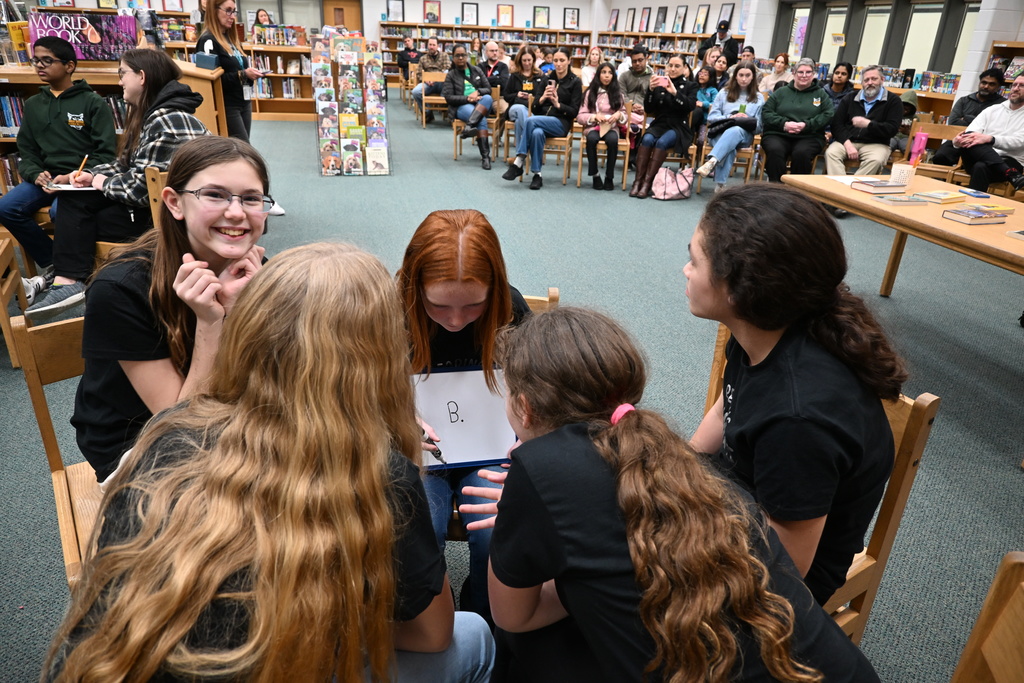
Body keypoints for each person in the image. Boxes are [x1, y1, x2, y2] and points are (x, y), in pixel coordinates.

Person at [44, 242, 495, 683]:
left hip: (102, 662)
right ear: (379, 355)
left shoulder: (168, 429)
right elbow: (431, 635)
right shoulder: (381, 472)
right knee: (472, 636)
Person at [474, 306, 881, 682]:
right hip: (834, 668)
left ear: (524, 408)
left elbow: (514, 616)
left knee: (524, 642)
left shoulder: (538, 468)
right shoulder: (678, 457)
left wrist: (536, 532)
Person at [688, 184, 906, 607]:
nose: (686, 271)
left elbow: (783, 570)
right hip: (739, 501)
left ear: (738, 291)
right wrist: (683, 467)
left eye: (695, 260)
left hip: (774, 575)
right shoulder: (765, 326)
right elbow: (728, 404)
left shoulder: (798, 420)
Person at [70, 136, 265, 484]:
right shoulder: (121, 289)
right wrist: (212, 322)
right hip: (142, 445)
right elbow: (178, 432)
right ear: (175, 203)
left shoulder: (258, 270)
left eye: (251, 198)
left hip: (232, 418)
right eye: (215, 195)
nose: (236, 212)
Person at [397, 209, 532, 623]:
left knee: (496, 530)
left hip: (492, 449)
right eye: (439, 305)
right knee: (420, 528)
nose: (456, 321)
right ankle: (432, 627)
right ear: (414, 286)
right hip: (418, 453)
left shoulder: (511, 310)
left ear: (494, 288)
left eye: (474, 305)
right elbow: (354, 392)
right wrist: (395, 419)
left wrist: (527, 438)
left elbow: (540, 388)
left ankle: (484, 615)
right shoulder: (388, 312)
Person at [26, 49, 209, 320]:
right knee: (78, 210)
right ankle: (68, 275)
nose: (120, 81)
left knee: (75, 209)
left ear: (142, 77)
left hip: (170, 221)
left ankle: (68, 278)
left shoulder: (166, 120)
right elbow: (126, 164)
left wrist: (99, 181)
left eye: (122, 74)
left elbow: (139, 190)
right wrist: (90, 174)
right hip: (168, 210)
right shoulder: (160, 113)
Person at [0, 36, 116, 306]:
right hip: (44, 178)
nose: (39, 66)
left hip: (78, 180)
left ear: (69, 66)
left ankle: (68, 271)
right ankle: (56, 264)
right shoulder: (33, 105)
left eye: (47, 61)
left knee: (58, 212)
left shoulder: (93, 103)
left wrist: (73, 174)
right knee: (6, 207)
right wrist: (34, 172)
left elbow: (105, 154)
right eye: (35, 61)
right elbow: (26, 150)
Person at [501, 47, 581, 190]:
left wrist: (557, 104)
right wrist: (543, 98)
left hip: (561, 123)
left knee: (530, 120)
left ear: (569, 61)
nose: (558, 64)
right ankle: (537, 175)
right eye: (555, 60)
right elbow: (536, 107)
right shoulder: (547, 79)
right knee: (537, 133)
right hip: (542, 120)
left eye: (562, 60)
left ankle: (519, 161)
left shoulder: (575, 82)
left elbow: (574, 112)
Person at [928, 75, 1024, 192]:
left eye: (1021, 85)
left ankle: (973, 205)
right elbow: (970, 133)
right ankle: (1011, 174)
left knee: (981, 166)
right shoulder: (993, 109)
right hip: (981, 157)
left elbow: (1020, 142)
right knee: (972, 138)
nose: (1015, 88)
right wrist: (956, 142)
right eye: (1014, 85)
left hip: (1010, 159)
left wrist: (990, 139)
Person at [629, 54, 696, 199]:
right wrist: (651, 91)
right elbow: (648, 108)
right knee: (646, 139)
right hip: (660, 123)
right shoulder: (660, 83)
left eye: (677, 66)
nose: (672, 69)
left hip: (678, 126)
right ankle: (637, 181)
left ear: (685, 68)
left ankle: (647, 183)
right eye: (670, 65)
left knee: (662, 142)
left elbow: (690, 107)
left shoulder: (691, 86)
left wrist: (675, 93)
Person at [196, 0, 263, 142]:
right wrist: (242, 75)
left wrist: (248, 74)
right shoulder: (208, 41)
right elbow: (209, 81)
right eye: (228, 11)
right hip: (228, 106)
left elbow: (239, 65)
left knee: (243, 148)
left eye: (234, 11)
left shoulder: (231, 38)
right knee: (243, 149)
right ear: (214, 10)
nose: (232, 16)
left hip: (244, 101)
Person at [760, 58, 833, 183]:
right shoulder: (781, 92)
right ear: (794, 73)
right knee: (775, 150)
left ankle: (797, 191)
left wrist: (807, 125)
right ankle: (775, 188)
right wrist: (784, 124)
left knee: (802, 153)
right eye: (800, 72)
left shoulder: (821, 94)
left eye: (808, 72)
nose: (804, 75)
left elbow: (828, 114)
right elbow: (766, 112)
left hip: (809, 136)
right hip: (779, 133)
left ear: (813, 74)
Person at [696, 61, 764, 193]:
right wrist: (730, 118)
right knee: (730, 148)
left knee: (736, 130)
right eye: (741, 75)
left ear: (753, 77)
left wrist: (746, 119)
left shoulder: (758, 97)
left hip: (744, 135)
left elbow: (759, 127)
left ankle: (712, 160)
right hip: (719, 132)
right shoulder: (723, 93)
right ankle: (720, 186)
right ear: (735, 76)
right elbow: (712, 117)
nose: (744, 79)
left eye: (747, 75)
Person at [824, 64, 901, 179]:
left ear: (882, 80)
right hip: (847, 141)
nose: (870, 83)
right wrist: (847, 144)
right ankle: (839, 186)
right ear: (862, 83)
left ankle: (853, 186)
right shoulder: (850, 98)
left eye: (874, 79)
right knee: (831, 153)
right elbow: (836, 124)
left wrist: (869, 124)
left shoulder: (893, 101)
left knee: (876, 160)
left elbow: (892, 129)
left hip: (876, 144)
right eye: (866, 80)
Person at [931, 69, 1006, 163]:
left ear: (998, 87)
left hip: (983, 144)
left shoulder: (1002, 105)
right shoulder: (964, 101)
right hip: (959, 138)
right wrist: (979, 122)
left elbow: (994, 127)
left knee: (978, 164)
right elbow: (954, 123)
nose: (986, 86)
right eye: (984, 82)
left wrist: (966, 117)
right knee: (940, 156)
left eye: (991, 84)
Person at [577, 63, 627, 190]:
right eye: (604, 72)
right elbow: (580, 116)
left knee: (612, 140)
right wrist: (594, 117)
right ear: (598, 75)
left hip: (611, 127)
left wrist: (619, 115)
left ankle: (609, 177)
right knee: (592, 139)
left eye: (610, 73)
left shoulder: (618, 93)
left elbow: (625, 115)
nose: (607, 76)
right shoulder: (590, 93)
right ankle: (595, 174)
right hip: (594, 127)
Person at [443, 44, 494, 170]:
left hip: (479, 103)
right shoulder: (451, 75)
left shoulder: (477, 70)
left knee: (488, 98)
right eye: (457, 55)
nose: (461, 58)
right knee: (480, 119)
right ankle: (485, 157)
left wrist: (478, 92)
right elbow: (448, 98)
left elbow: (488, 89)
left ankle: (469, 127)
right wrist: (468, 98)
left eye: (463, 55)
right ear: (453, 58)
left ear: (467, 56)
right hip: (462, 106)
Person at [500, 44, 547, 165]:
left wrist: (533, 98)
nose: (527, 63)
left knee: (522, 121)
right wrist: (517, 95)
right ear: (520, 61)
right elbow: (506, 95)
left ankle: (519, 155)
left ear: (534, 60)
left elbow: (544, 96)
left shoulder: (540, 76)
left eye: (529, 60)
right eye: (524, 60)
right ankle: (534, 152)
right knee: (521, 110)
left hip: (534, 109)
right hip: (515, 108)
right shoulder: (515, 76)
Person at [412, 37, 451, 124]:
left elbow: (447, 69)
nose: (431, 47)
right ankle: (428, 112)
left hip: (442, 83)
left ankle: (449, 112)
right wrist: (426, 79)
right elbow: (419, 73)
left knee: (448, 74)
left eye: (434, 45)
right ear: (427, 45)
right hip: (428, 84)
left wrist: (435, 78)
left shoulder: (444, 56)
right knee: (415, 91)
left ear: (437, 46)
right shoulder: (423, 58)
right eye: (430, 45)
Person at [692, 66, 718, 144]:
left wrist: (704, 104)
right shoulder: (695, 88)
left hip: (705, 121)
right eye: (700, 73)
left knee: (701, 140)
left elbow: (716, 105)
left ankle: (699, 155)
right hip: (694, 117)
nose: (702, 75)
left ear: (711, 77)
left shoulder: (713, 91)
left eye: (705, 74)